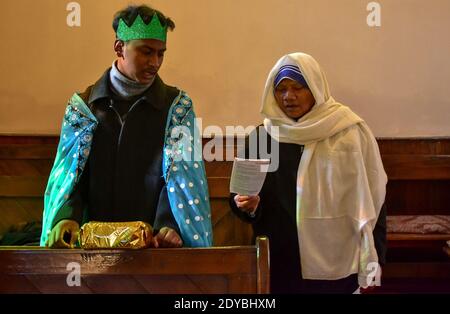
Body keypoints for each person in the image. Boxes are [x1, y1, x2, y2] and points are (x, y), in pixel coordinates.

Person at [41, 4, 213, 249]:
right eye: (146, 52)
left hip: (153, 248)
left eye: (160, 53)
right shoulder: (84, 107)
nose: (155, 62)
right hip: (91, 250)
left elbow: (180, 179)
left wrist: (170, 224)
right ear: (119, 48)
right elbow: (71, 176)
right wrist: (66, 216)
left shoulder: (176, 108)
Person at [230, 52, 387, 293]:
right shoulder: (263, 137)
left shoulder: (348, 132)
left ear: (315, 88)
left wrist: (376, 257)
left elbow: (375, 196)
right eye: (281, 89)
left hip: (339, 261)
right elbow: (239, 198)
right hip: (282, 260)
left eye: (298, 88)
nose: (288, 97)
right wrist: (248, 206)